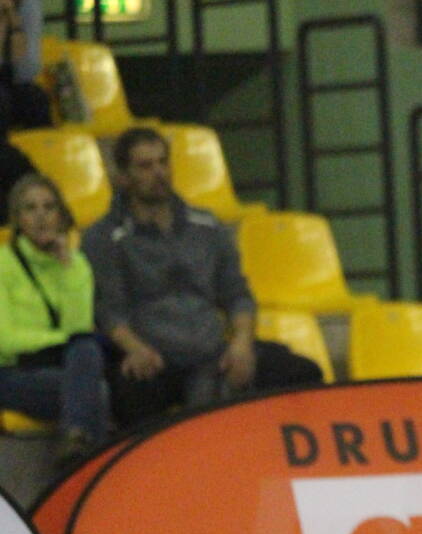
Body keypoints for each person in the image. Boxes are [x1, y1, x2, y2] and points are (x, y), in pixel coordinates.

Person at [81, 126, 321, 429]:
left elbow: (237, 293)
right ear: (123, 177)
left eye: (163, 162)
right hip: (155, 358)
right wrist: (135, 349)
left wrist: (241, 343)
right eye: (145, 166)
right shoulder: (104, 237)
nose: (159, 173)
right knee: (130, 390)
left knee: (302, 371)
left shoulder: (206, 226)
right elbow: (108, 311)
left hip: (212, 350)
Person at [0, 172, 113, 465]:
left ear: (60, 216)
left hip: (63, 367)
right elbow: (5, 341)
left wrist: (67, 268)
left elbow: (78, 327)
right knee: (93, 385)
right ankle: (87, 470)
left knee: (87, 354)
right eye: (30, 208)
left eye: (49, 207)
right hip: (11, 372)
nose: (41, 216)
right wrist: (64, 340)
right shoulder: (2, 264)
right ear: (18, 219)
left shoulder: (76, 264)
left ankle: (75, 448)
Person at [0, 0, 50, 131]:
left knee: (36, 98)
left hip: (11, 79)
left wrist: (12, 19)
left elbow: (28, 70)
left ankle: (41, 143)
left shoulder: (29, 4)